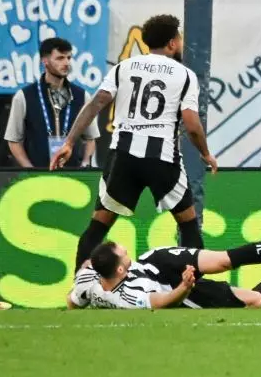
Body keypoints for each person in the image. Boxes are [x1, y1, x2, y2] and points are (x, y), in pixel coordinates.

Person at [50, 15, 217, 271]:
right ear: (172, 43)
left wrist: (70, 142)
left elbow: (95, 104)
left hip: (123, 157)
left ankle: (79, 290)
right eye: (179, 38)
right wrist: (206, 153)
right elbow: (191, 123)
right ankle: (194, 291)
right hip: (162, 158)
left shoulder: (123, 67)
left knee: (98, 226)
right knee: (188, 225)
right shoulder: (185, 75)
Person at [70, 238, 261, 310]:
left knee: (225, 260)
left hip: (158, 261)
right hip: (175, 290)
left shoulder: (87, 279)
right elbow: (160, 303)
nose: (129, 254)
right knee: (255, 302)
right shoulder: (128, 297)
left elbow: (72, 301)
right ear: (118, 270)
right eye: (125, 255)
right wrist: (184, 286)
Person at [5, 37, 99, 169]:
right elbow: (13, 140)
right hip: (37, 177)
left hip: (72, 176)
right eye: (60, 58)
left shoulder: (82, 96)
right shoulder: (24, 96)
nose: (66, 63)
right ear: (45, 61)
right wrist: (30, 169)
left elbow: (91, 137)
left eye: (69, 58)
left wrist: (84, 165)